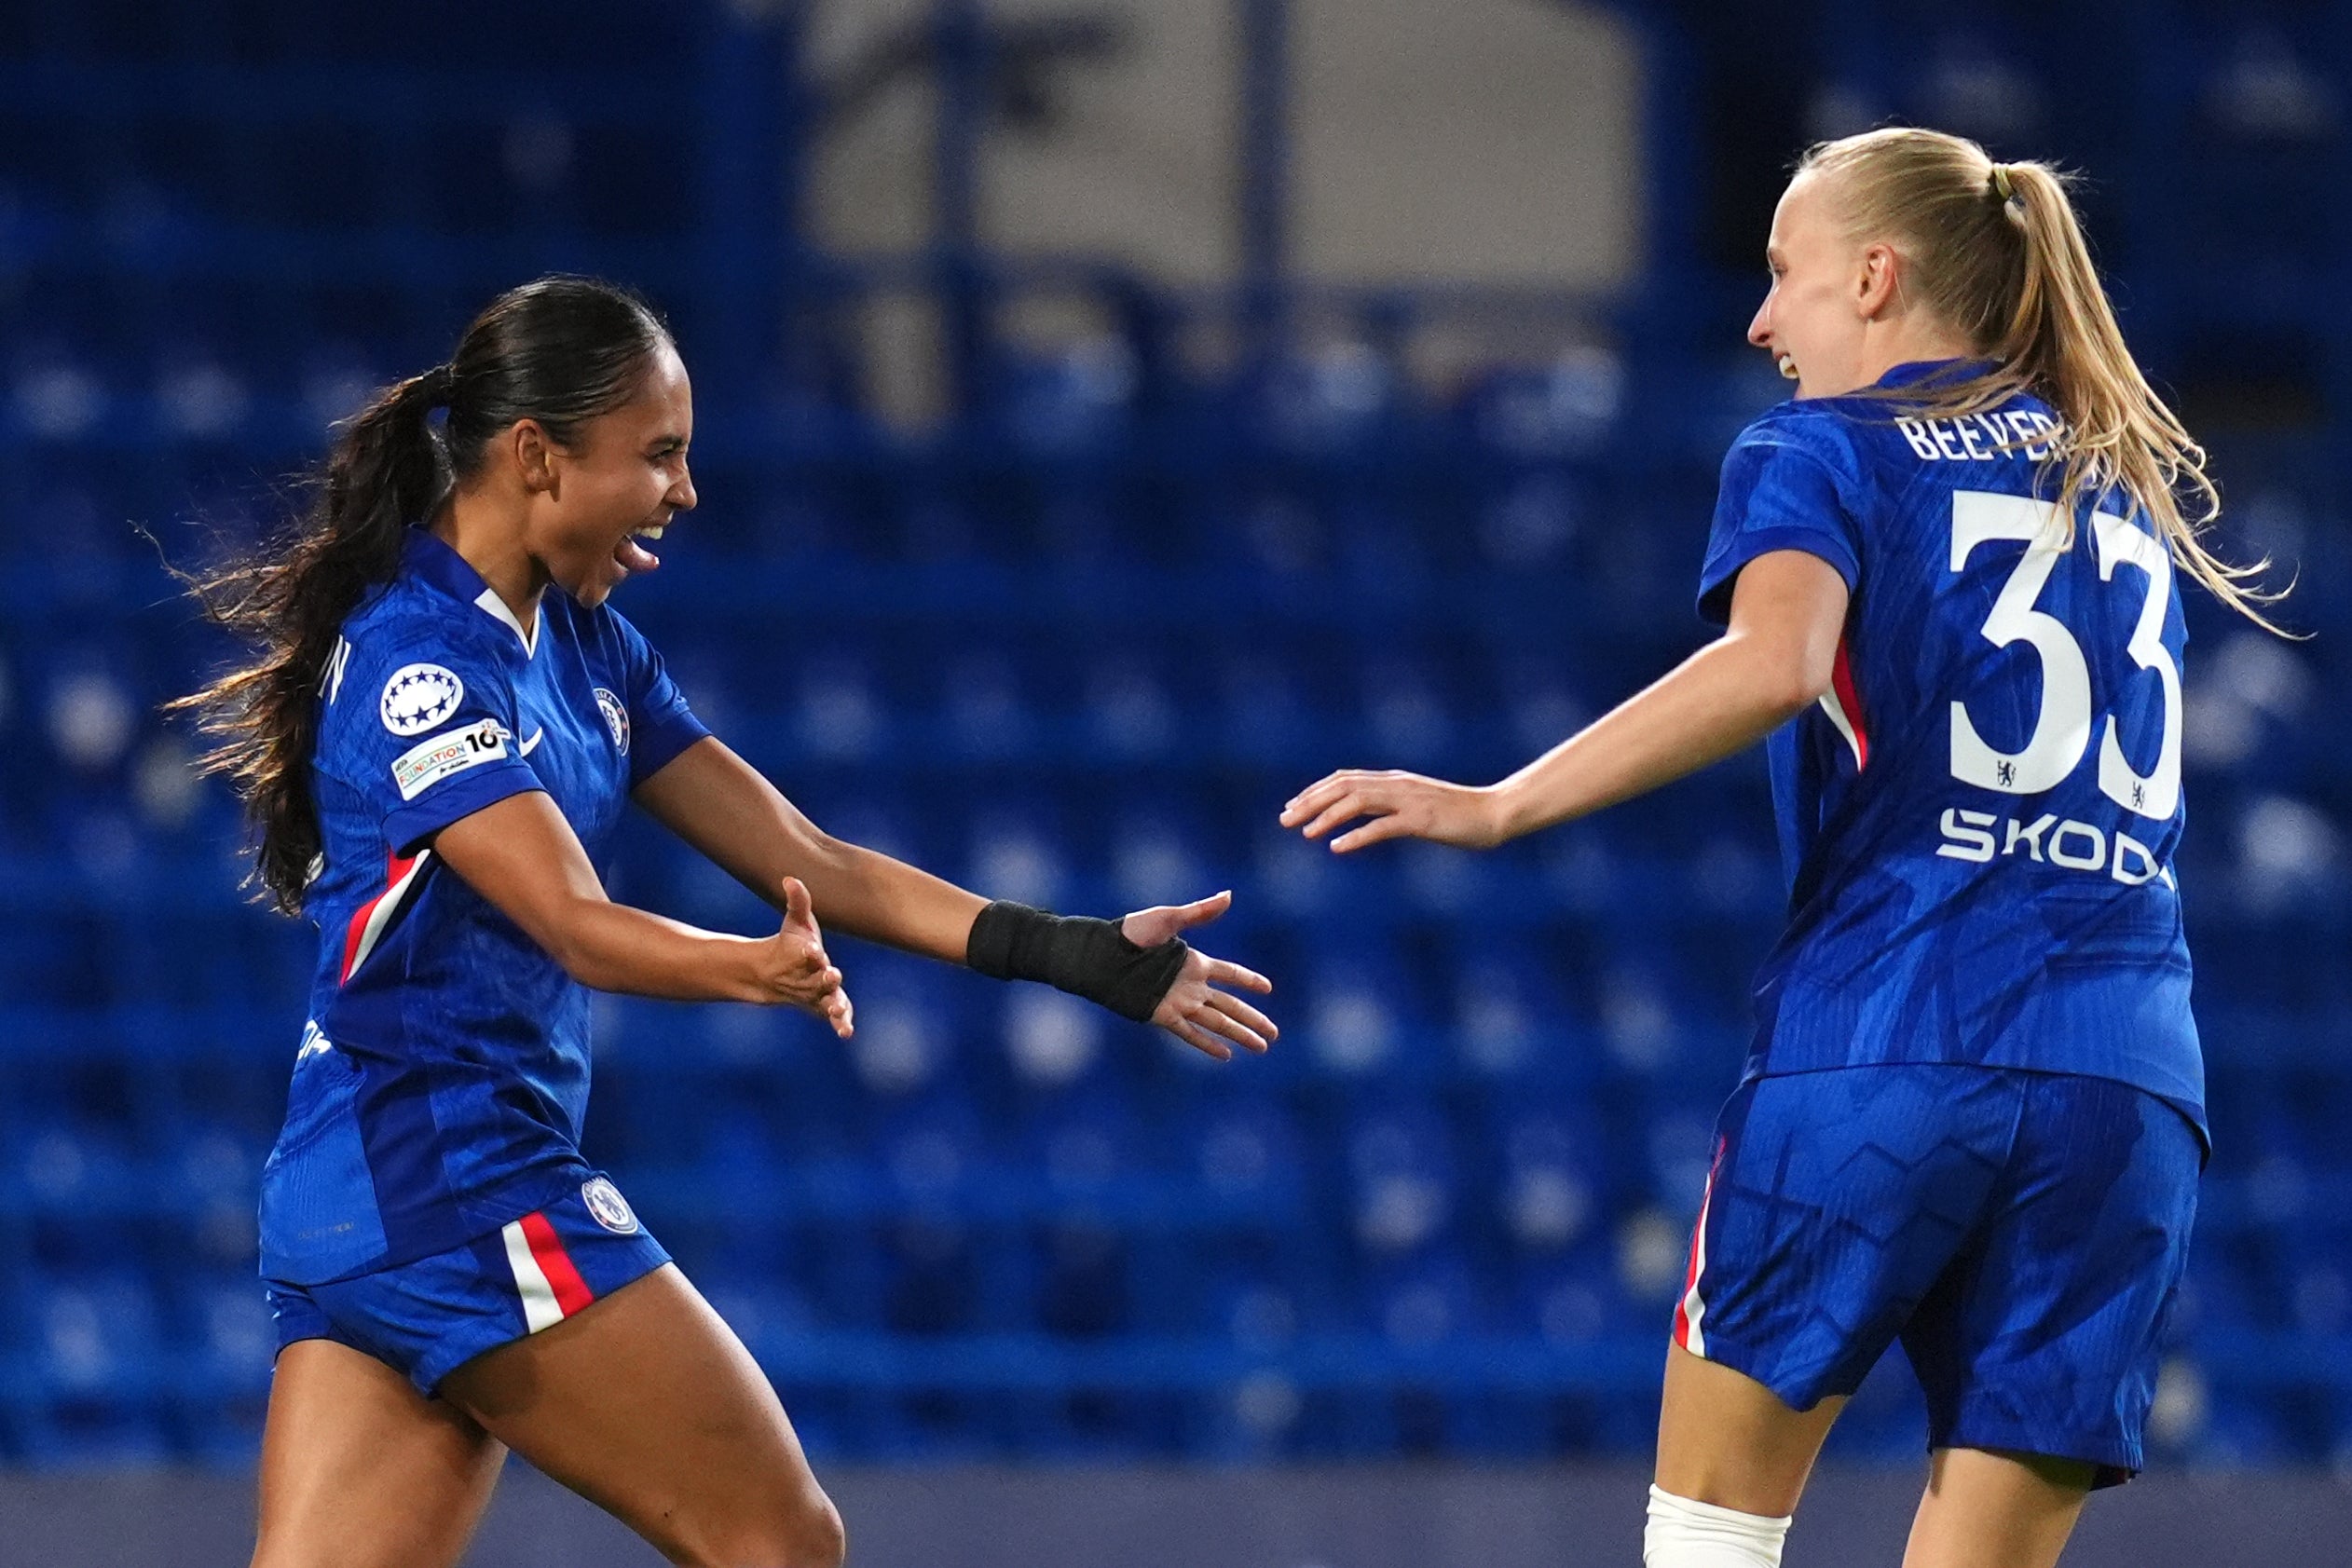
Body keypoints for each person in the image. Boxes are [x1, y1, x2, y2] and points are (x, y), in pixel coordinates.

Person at [1281, 127, 2282, 1568]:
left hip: (1890, 1032)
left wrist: (1499, 804)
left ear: (1875, 276)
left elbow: (1772, 663)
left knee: (1708, 1545)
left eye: (1782, 273)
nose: (1760, 321)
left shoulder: (1820, 447)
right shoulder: (2112, 488)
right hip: (2127, 1081)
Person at [173, 275, 1279, 1568]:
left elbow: (812, 857)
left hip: (364, 1206)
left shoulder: (588, 653)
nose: (685, 492)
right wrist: (749, 970)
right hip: (456, 1186)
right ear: (537, 456)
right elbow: (576, 925)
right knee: (779, 1543)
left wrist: (1079, 955)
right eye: (658, 455)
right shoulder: (427, 668)